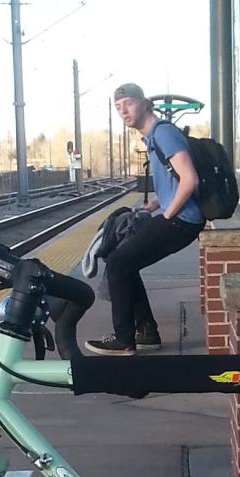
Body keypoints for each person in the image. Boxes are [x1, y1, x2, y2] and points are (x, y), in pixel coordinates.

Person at [84, 83, 203, 354]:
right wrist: (155, 204)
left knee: (117, 263)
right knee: (124, 262)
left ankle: (124, 340)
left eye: (128, 103)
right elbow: (174, 180)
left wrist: (168, 214)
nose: (123, 111)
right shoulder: (153, 137)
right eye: (117, 107)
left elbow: (190, 179)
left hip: (182, 220)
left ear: (144, 103)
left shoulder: (164, 134)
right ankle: (147, 332)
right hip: (176, 216)